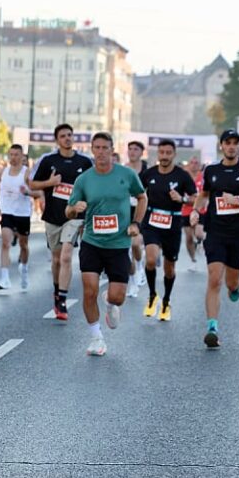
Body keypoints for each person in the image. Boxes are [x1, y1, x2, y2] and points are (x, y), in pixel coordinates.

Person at [66, 132, 146, 356]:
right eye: (97, 148)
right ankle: (96, 338)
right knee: (89, 290)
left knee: (118, 296)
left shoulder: (126, 175)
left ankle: (110, 302)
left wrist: (136, 223)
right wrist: (74, 209)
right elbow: (68, 210)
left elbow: (142, 197)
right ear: (92, 150)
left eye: (105, 148)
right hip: (92, 241)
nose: (101, 152)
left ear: (112, 150)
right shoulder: (84, 179)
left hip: (119, 243)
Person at [30, 123, 93, 322]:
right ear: (57, 140)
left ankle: (63, 300)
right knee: (56, 259)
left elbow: (93, 185)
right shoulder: (48, 160)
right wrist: (50, 183)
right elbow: (32, 184)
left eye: (70, 135)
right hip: (53, 216)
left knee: (66, 256)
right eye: (63, 136)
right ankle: (57, 291)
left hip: (74, 217)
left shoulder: (84, 161)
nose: (67, 138)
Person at [190, 129, 239, 349]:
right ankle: (212, 328)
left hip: (238, 234)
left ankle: (236, 286)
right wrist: (195, 210)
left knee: (230, 283)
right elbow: (204, 195)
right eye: (227, 143)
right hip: (216, 233)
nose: (231, 146)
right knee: (214, 279)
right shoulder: (211, 170)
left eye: (235, 143)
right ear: (222, 146)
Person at [139, 139, 196, 321]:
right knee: (150, 259)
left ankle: (166, 300)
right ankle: (152, 295)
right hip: (152, 220)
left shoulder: (183, 176)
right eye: (161, 152)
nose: (164, 156)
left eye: (168, 153)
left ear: (174, 154)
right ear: (157, 154)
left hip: (172, 222)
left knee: (169, 268)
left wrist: (182, 199)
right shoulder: (148, 174)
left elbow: (195, 198)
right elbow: (138, 194)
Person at [0, 144, 35, 290]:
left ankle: (24, 269)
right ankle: (4, 279)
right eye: (11, 154)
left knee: (23, 245)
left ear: (22, 156)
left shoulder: (27, 173)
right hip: (7, 212)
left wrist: (27, 192)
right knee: (5, 242)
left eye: (16, 154)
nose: (13, 157)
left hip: (22, 213)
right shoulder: (2, 171)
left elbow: (38, 193)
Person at [125, 140, 149, 297]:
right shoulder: (122, 170)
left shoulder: (148, 171)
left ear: (142, 152)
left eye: (136, 149)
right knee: (125, 253)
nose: (132, 152)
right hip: (125, 211)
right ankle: (132, 282)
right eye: (130, 149)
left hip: (142, 211)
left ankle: (140, 266)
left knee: (135, 244)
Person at [181, 156, 206, 271]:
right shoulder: (184, 176)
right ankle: (193, 260)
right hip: (186, 210)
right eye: (192, 162)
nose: (194, 164)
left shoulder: (204, 177)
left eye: (197, 163)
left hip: (201, 209)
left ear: (200, 165)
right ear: (188, 164)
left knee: (199, 233)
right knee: (189, 237)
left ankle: (200, 242)